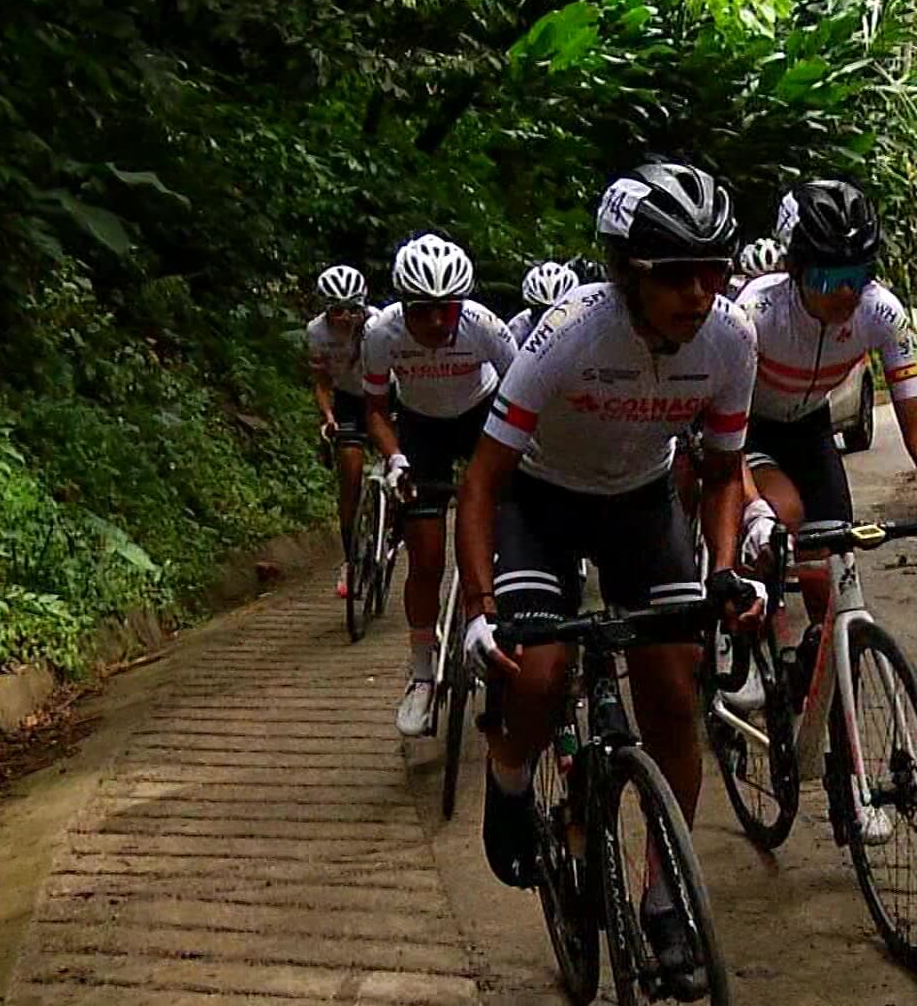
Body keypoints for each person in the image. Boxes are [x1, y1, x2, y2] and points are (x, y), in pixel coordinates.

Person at [456, 162, 762, 999]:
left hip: (639, 504)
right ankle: (512, 773)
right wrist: (481, 611)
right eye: (675, 275)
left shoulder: (733, 339)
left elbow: (726, 470)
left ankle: (666, 899)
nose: (699, 294)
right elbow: (481, 481)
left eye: (715, 270)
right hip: (541, 502)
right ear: (628, 273)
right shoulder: (570, 335)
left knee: (673, 686)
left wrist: (726, 569)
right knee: (541, 667)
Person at [732, 180, 917, 690]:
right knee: (784, 513)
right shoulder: (755, 313)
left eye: (859, 274)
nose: (848, 292)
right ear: (796, 270)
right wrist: (754, 512)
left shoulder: (881, 312)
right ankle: (748, 639)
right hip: (749, 429)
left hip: (809, 427)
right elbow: (724, 436)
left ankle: (819, 694)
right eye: (831, 278)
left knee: (833, 579)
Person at [362, 232, 518, 737]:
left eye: (445, 311)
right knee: (425, 557)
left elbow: (523, 395)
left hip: (481, 418)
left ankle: (497, 629)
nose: (433, 323)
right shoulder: (380, 333)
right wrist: (395, 458)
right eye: (421, 311)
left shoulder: (485, 328)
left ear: (462, 305)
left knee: (497, 539)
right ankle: (423, 674)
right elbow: (374, 409)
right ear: (402, 306)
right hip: (420, 428)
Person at [307, 265, 381, 598]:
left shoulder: (380, 325)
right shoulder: (317, 333)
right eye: (337, 310)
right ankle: (351, 558)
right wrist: (328, 416)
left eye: (354, 309)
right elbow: (322, 382)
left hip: (387, 396)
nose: (347, 318)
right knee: (349, 471)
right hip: (350, 400)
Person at [507, 260, 580, 346]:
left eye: (558, 311)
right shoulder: (519, 325)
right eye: (543, 311)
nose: (548, 318)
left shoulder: (584, 319)